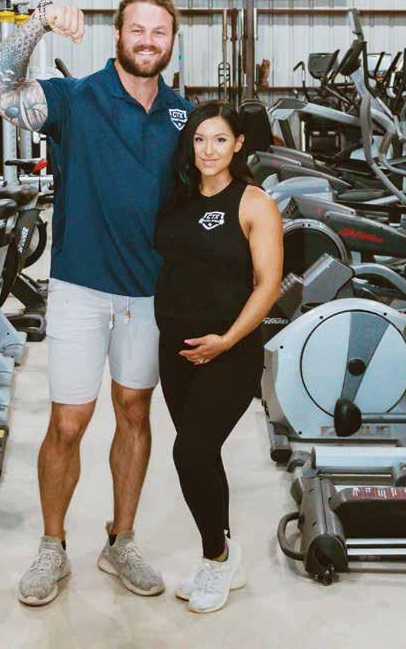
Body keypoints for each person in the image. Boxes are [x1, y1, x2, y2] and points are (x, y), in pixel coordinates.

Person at [0, 0, 193, 606]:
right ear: (117, 36)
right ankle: (52, 546)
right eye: (138, 29)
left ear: (171, 43)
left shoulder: (183, 117)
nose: (148, 40)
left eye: (159, 32)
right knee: (68, 423)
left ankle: (121, 540)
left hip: (148, 295)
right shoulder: (76, 98)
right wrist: (39, 22)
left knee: (135, 413)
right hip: (79, 287)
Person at [154, 101, 283, 614]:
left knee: (189, 452)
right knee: (201, 455)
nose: (208, 150)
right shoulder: (178, 198)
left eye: (220, 139)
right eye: (200, 139)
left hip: (230, 353)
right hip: (176, 351)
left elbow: (268, 285)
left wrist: (226, 340)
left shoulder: (254, 203)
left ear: (238, 144)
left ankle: (216, 556)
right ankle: (226, 553)